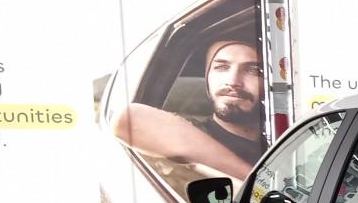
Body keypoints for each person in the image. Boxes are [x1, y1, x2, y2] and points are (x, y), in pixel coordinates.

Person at [112, 39, 265, 181]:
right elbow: (128, 119)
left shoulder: (276, 140)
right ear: (207, 78)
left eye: (253, 70)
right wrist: (258, 184)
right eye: (221, 67)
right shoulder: (194, 132)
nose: (233, 81)